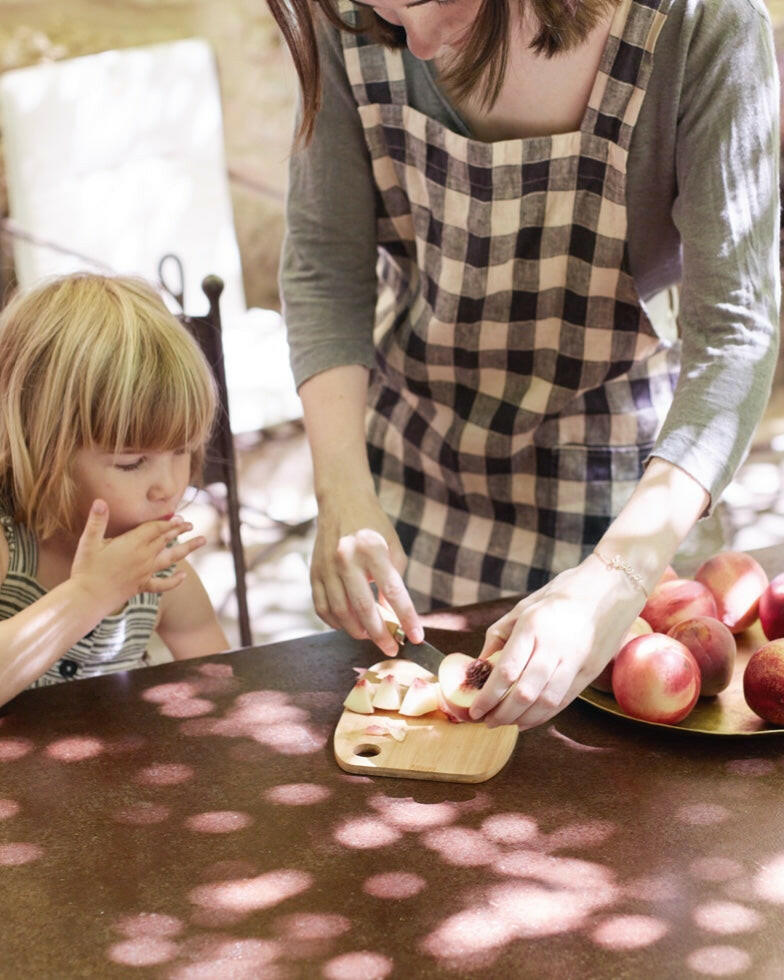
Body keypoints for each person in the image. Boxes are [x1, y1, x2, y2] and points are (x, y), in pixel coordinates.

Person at [270, 0, 781, 729]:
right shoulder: (348, 14)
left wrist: (614, 582)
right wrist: (344, 494)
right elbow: (324, 265)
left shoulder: (706, 27)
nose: (408, 41)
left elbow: (735, 336)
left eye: (419, 1)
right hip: (413, 494)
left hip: (628, 499)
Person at [0, 273, 230, 707]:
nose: (169, 486)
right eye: (131, 462)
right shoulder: (9, 548)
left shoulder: (159, 571)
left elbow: (218, 680)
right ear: (41, 448)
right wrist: (90, 594)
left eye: (182, 451)